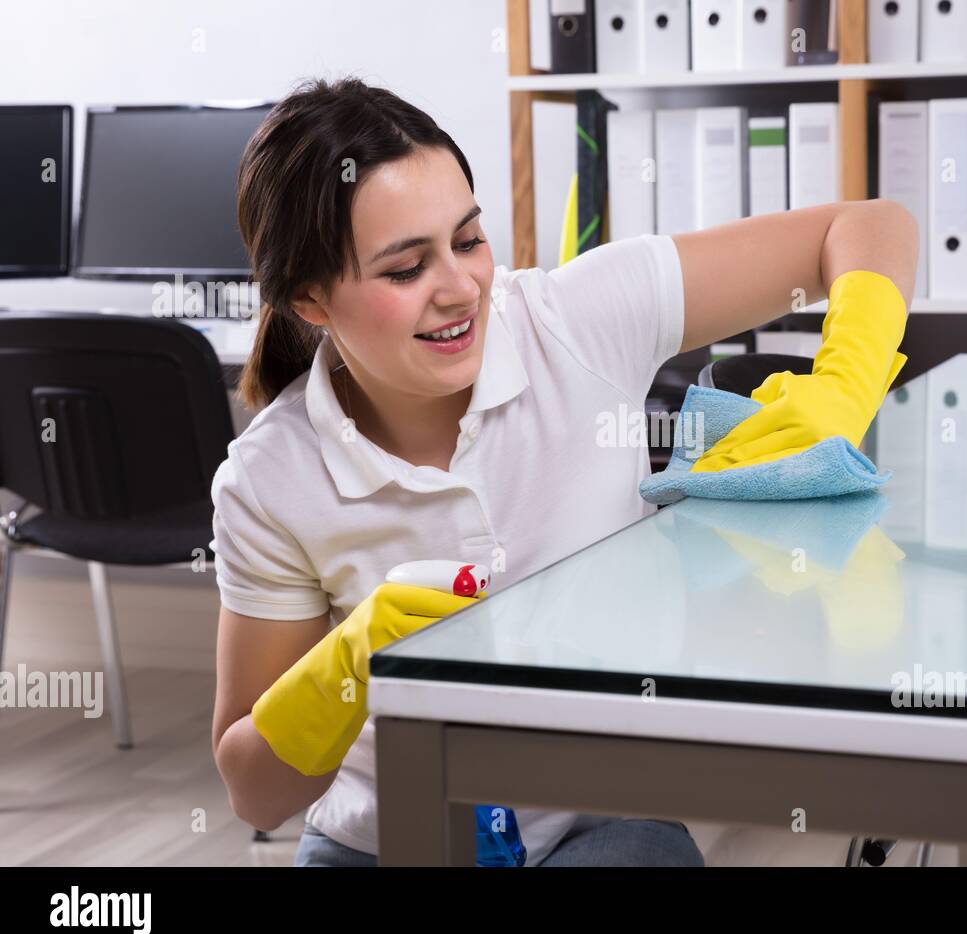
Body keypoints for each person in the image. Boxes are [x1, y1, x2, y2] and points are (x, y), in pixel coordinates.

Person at [210, 76, 918, 866]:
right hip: (384, 838)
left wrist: (846, 382)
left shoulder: (575, 321)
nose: (460, 289)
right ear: (309, 299)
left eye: (469, 240)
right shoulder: (268, 480)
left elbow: (868, 225)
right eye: (406, 270)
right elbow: (256, 795)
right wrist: (345, 670)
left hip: (600, 825)